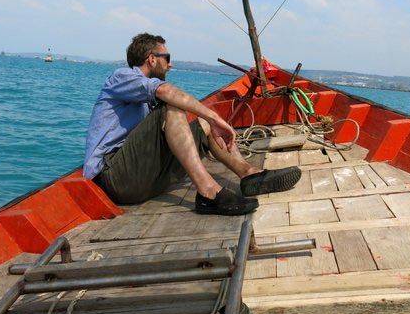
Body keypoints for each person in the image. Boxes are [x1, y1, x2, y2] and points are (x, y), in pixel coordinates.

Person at [83, 33, 301, 215]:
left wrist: (209, 121)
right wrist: (216, 118)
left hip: (143, 179)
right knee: (173, 107)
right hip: (115, 178)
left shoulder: (145, 95)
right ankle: (208, 193)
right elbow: (167, 92)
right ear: (151, 59)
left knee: (203, 126)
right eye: (166, 58)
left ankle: (249, 174)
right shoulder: (122, 76)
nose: (171, 64)